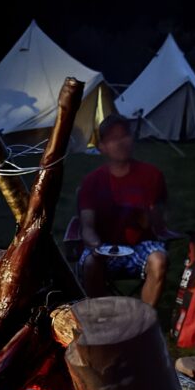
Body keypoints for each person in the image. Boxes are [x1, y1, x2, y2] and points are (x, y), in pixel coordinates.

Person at [77, 114, 169, 307]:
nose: (120, 143)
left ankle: (142, 321)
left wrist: (149, 216)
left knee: (159, 260)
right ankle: (104, 315)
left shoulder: (151, 175)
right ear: (102, 147)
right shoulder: (92, 181)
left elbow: (158, 223)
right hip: (104, 246)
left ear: (131, 139)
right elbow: (87, 225)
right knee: (90, 263)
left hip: (140, 246)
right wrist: (96, 247)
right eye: (112, 139)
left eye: (124, 136)